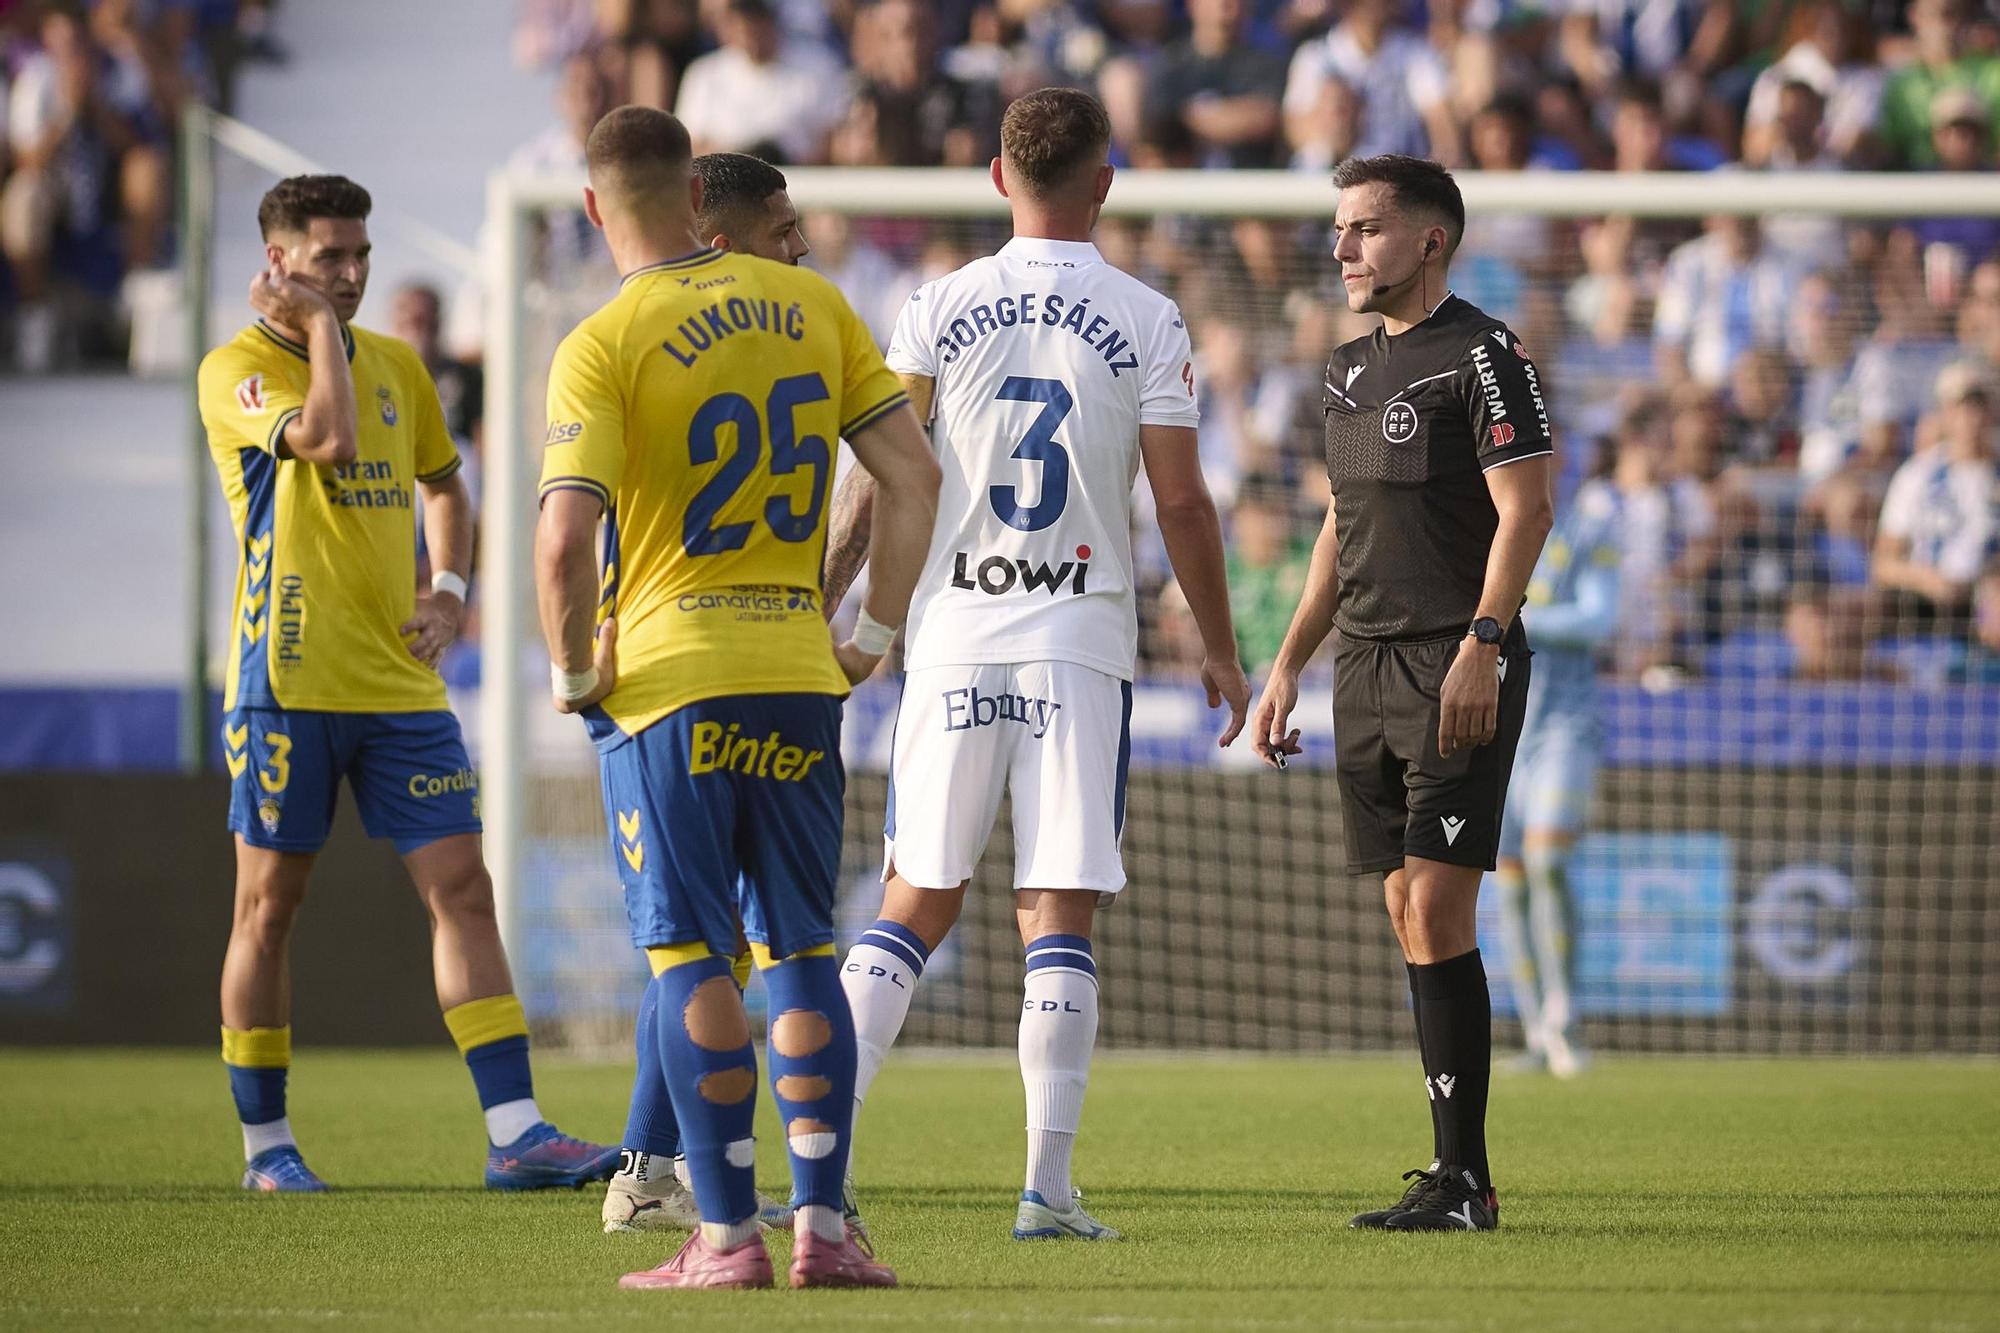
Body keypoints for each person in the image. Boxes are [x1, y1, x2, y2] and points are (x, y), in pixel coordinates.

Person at [821, 87, 1250, 1244]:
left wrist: (830, 596)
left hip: (951, 639)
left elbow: (878, 476)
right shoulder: (1148, 316)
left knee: (912, 899)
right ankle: (1044, 1190)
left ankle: (818, 1172)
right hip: (1078, 646)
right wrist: (1218, 648)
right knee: (1057, 914)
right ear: (1103, 182)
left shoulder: (935, 304)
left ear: (997, 177)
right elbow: (1182, 502)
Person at [535, 106, 939, 1291]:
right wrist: (870, 635)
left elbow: (562, 540)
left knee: (689, 959)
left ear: (595, 206)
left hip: (667, 684)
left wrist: (573, 677)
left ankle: (721, 1237)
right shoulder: (814, 307)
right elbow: (911, 475)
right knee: (801, 946)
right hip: (797, 676)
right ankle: (822, 1228)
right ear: (695, 198)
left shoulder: (602, 338)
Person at [196, 175, 617, 1194]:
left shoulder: (395, 364)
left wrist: (452, 591)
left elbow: (445, 484)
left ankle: (516, 1133)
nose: (349, 274)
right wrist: (319, 332)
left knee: (465, 888)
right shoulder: (235, 369)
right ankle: (266, 1147)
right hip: (285, 682)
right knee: (269, 907)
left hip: (399, 685)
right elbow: (327, 439)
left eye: (360, 256)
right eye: (328, 258)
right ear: (278, 262)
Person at [1251, 154, 1555, 1233]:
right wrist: (1288, 661)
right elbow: (1340, 525)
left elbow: (1527, 510)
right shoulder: (1343, 369)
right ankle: (1450, 1172)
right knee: (1401, 906)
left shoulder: (1485, 353)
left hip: (1452, 658)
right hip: (1363, 666)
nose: (1342, 247)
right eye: (1339, 228)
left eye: (1365, 228)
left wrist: (1484, 640)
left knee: (1433, 903)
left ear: (1430, 240)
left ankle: (1465, 1178)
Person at [600, 149, 811, 1239]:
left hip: (714, 668)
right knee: (697, 942)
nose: (802, 249)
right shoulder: (651, 342)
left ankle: (653, 1167)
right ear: (720, 239)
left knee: (708, 943)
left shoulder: (709, 343)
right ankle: (652, 1172)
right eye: (783, 232)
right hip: (665, 674)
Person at [1493, 479, 1623, 1080]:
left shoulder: (1586, 531)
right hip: (1497, 728)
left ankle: (1565, 1017)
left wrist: (1507, 618)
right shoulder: (1479, 527)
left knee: (1548, 860)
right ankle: (1537, 1034)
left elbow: (1599, 619)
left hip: (1563, 727)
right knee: (1510, 883)